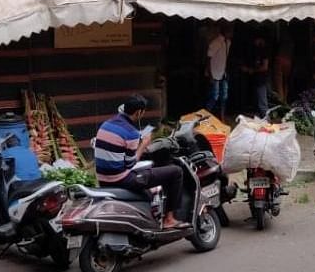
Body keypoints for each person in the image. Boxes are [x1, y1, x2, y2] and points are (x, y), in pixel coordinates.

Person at [95, 95, 188, 230]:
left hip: (102, 179)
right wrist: (143, 144)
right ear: (139, 112)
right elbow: (130, 164)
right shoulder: (131, 133)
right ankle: (169, 219)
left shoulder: (106, 124)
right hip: (120, 179)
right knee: (176, 171)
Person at [205, 24, 232, 121]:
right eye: (229, 31)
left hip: (223, 72)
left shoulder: (228, 42)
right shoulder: (216, 42)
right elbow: (208, 58)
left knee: (224, 96)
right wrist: (210, 75)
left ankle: (222, 117)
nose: (231, 33)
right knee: (214, 96)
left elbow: (226, 58)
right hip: (215, 73)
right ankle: (206, 116)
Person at [245, 35, 271, 117]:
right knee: (258, 101)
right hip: (257, 79)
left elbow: (265, 67)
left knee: (262, 102)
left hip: (261, 80)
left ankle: (267, 120)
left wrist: (252, 70)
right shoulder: (256, 51)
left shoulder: (264, 51)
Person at [272, 35, 294, 103]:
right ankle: (285, 100)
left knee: (279, 83)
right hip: (288, 61)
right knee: (286, 82)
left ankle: (281, 102)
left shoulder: (280, 44)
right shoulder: (291, 44)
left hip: (280, 60)